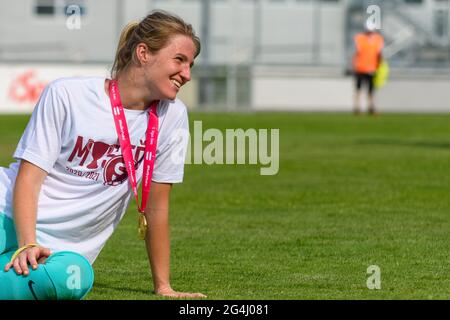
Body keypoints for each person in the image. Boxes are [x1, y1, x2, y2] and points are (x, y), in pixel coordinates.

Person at [0, 10, 206, 300]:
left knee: (75, 280)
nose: (187, 74)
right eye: (180, 60)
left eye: (191, 65)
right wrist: (27, 244)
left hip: (66, 251)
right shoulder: (67, 95)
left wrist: (164, 286)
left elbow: (156, 206)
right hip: (8, 214)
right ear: (143, 53)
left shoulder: (172, 117)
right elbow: (29, 179)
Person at [352, 25, 384, 115]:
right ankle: (357, 107)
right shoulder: (359, 39)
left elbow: (379, 54)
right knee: (358, 89)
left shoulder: (378, 39)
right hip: (360, 68)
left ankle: (371, 107)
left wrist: (379, 66)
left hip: (371, 68)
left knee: (371, 90)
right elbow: (356, 52)